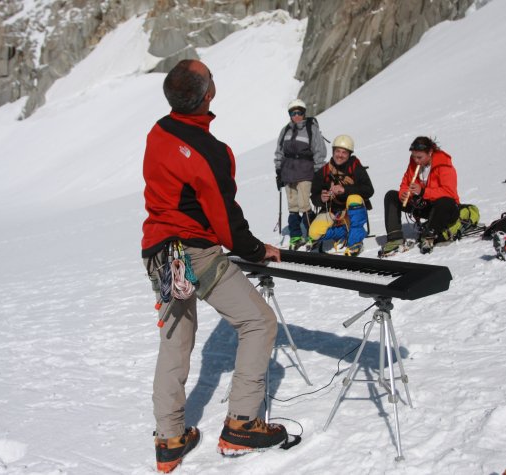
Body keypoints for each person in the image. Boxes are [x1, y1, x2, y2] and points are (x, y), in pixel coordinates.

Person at [141, 59, 290, 473]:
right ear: (208, 94)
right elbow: (226, 220)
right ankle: (242, 424)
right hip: (194, 253)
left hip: (158, 252)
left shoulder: (159, 131)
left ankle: (169, 439)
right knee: (259, 322)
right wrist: (258, 251)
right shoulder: (209, 151)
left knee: (175, 341)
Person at [381, 136, 460, 255]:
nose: (416, 160)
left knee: (445, 201)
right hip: (424, 205)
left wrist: (423, 191)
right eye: (414, 156)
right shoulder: (414, 163)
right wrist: (404, 193)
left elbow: (449, 192)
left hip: (444, 209)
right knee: (391, 196)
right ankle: (394, 238)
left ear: (430, 152)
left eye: (419, 157)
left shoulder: (443, 165)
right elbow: (405, 183)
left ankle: (428, 236)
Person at [274, 99, 327, 250]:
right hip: (288, 173)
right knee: (293, 207)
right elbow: (279, 152)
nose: (296, 115)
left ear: (304, 113)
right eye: (293, 113)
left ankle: (313, 234)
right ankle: (296, 236)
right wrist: (279, 171)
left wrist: (318, 172)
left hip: (305, 171)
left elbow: (319, 151)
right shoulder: (285, 130)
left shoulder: (311, 129)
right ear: (290, 114)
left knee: (304, 205)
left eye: (299, 112)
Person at [308, 134, 374, 256]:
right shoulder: (323, 172)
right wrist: (321, 199)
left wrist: (345, 190)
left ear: (349, 154)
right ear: (333, 152)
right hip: (333, 212)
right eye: (338, 151)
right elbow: (314, 197)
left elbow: (369, 190)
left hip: (353, 211)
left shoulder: (356, 168)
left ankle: (355, 242)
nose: (340, 155)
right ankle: (345, 232)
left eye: (344, 152)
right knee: (314, 233)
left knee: (354, 197)